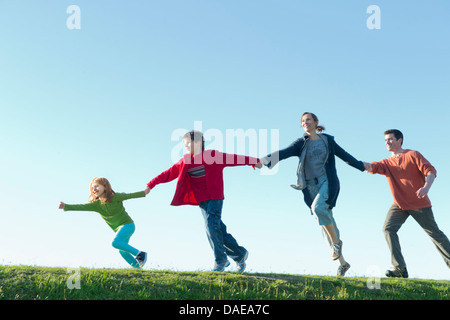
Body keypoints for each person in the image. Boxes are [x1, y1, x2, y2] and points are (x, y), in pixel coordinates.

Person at [259, 112, 366, 276]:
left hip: (327, 181)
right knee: (324, 222)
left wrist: (361, 166)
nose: (305, 122)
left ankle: (337, 243)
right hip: (310, 186)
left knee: (318, 209)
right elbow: (284, 152)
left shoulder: (327, 141)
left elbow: (344, 155)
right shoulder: (301, 143)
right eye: (302, 121)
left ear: (316, 122)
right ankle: (343, 263)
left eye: (308, 119)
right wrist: (265, 160)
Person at [146, 130, 261, 272]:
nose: (186, 146)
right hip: (202, 201)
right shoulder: (185, 161)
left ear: (199, 143)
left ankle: (221, 260)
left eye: (188, 143)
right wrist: (151, 184)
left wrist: (254, 161)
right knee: (217, 229)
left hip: (215, 198)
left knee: (211, 226)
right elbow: (168, 174)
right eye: (184, 144)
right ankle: (240, 254)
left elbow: (234, 158)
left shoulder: (213, 156)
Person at [364, 129, 450, 278]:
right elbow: (373, 167)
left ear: (400, 140)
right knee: (388, 228)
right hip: (399, 204)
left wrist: (426, 187)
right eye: (385, 140)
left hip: (419, 202)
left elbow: (430, 171)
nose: (387, 142)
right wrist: (357, 163)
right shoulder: (387, 163)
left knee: (435, 234)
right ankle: (399, 269)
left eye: (390, 139)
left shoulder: (413, 155)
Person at [59, 177, 149, 269]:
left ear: (105, 187)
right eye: (92, 188)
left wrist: (144, 192)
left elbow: (131, 195)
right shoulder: (96, 205)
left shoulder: (115, 197)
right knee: (122, 251)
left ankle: (140, 254)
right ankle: (137, 268)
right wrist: (66, 206)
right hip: (119, 229)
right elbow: (81, 207)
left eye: (97, 186)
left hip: (128, 225)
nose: (94, 189)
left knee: (115, 243)